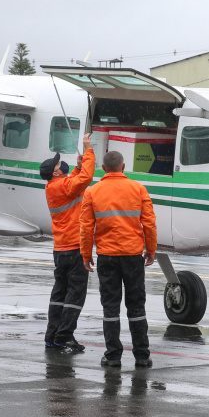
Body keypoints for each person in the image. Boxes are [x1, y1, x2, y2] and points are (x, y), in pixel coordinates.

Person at [79, 150, 157, 368]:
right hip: (133, 256)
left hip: (107, 257)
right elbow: (149, 223)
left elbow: (86, 228)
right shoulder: (138, 189)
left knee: (111, 307)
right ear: (123, 167)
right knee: (136, 306)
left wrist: (86, 254)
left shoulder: (92, 192)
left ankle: (113, 356)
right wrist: (150, 250)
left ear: (103, 169)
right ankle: (142, 356)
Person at [40, 133, 95, 353]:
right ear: (55, 172)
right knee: (75, 295)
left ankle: (52, 336)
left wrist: (77, 168)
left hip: (61, 249)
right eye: (58, 163)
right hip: (74, 248)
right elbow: (86, 179)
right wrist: (89, 149)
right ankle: (64, 336)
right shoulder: (60, 187)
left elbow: (73, 183)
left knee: (60, 293)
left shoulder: (54, 186)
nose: (61, 162)